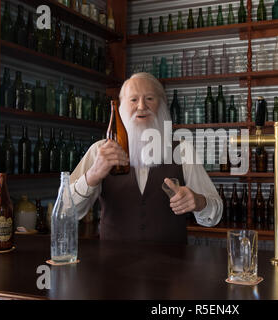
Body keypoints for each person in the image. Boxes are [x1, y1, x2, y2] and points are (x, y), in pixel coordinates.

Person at [69, 72, 223, 243]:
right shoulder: (100, 150)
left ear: (162, 106)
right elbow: (67, 211)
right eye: (133, 100)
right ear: (120, 108)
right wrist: (93, 176)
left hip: (174, 266)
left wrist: (199, 201)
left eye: (149, 98)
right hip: (112, 267)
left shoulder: (182, 150)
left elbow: (214, 214)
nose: (141, 106)